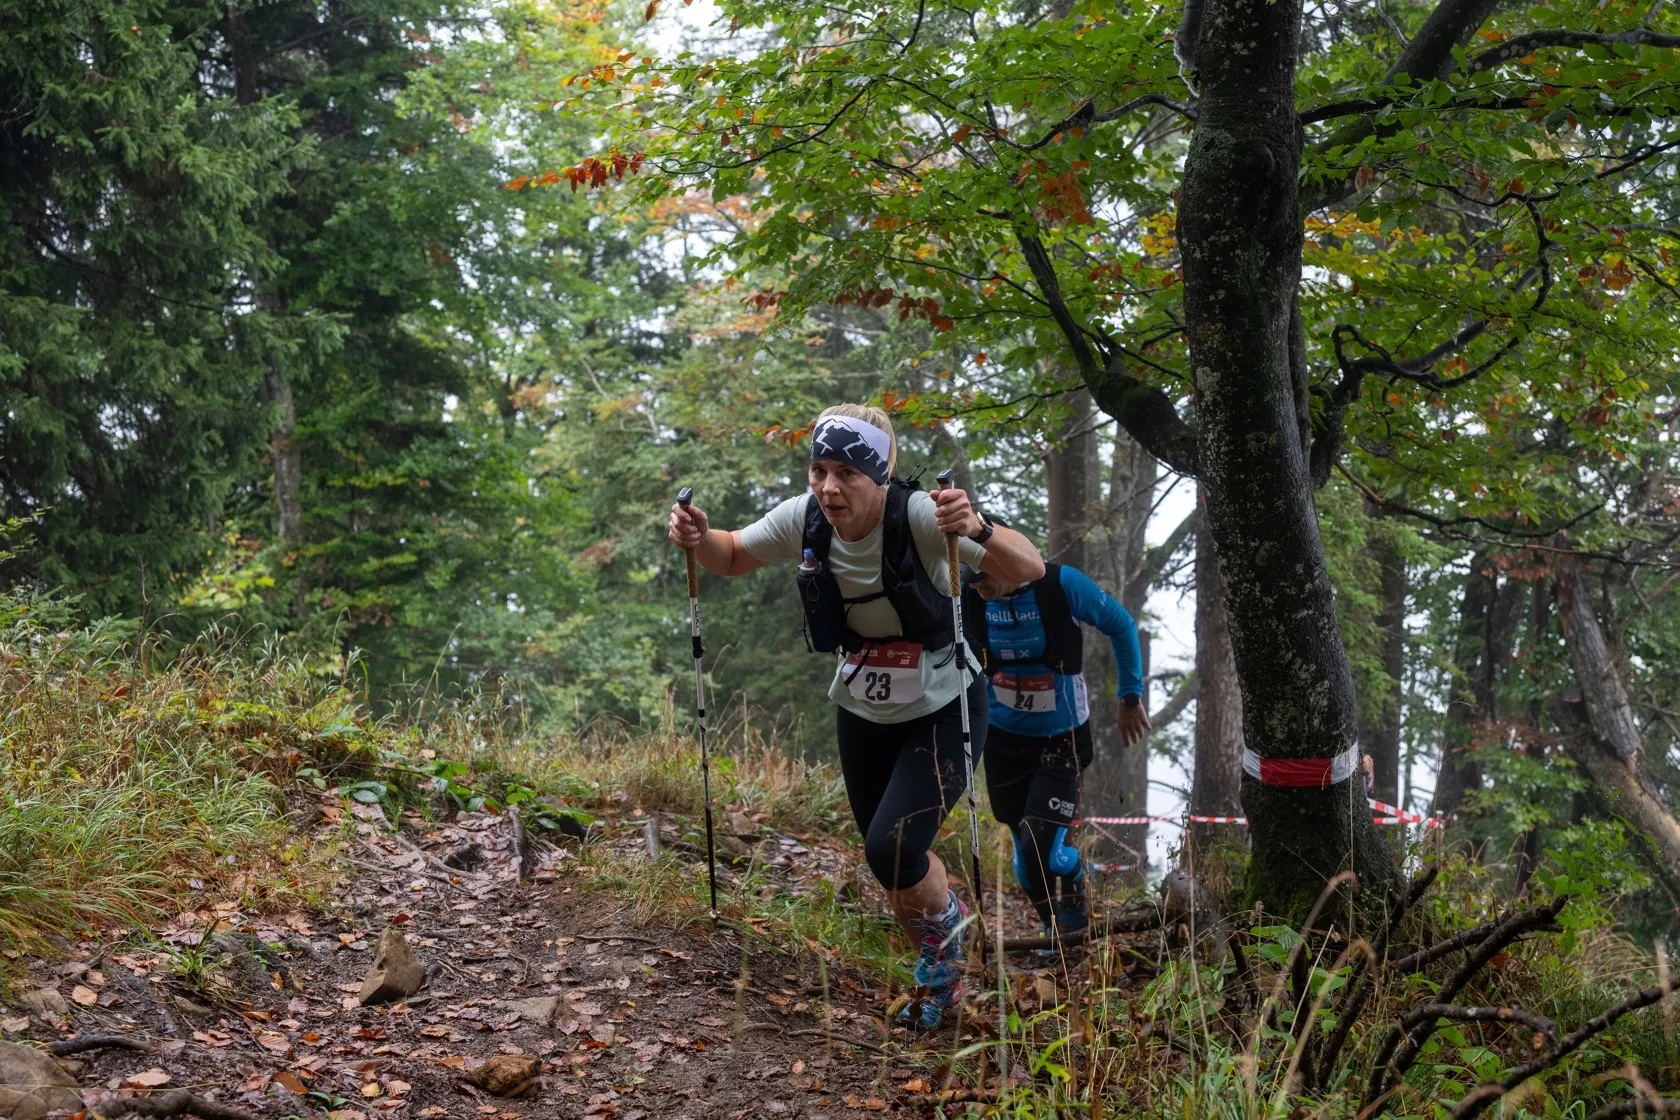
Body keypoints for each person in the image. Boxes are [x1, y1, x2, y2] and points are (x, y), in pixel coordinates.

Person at [667, 404, 1044, 1029]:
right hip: (864, 708)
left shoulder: (922, 515)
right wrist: (696, 536)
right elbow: (730, 554)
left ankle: (944, 952)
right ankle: (941, 947)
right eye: (819, 469)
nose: (829, 487)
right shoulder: (805, 518)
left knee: (893, 845)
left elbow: (1027, 567)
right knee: (888, 861)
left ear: (881, 474)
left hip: (944, 704)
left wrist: (975, 527)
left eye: (847, 473)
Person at [963, 560, 1149, 945]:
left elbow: (1122, 624)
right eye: (972, 583)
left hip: (1061, 739)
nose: (978, 588)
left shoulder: (1058, 583)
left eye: (984, 579)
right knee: (1024, 855)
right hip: (1002, 740)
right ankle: (1055, 930)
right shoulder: (968, 594)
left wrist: (1130, 696)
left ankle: (1077, 874)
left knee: (1042, 849)